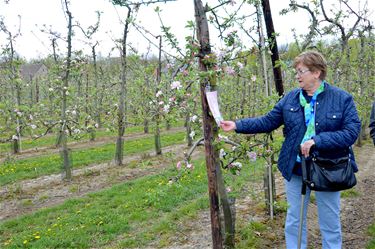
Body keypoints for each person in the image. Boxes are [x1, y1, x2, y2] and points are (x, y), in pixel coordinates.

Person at [220, 51, 361, 249]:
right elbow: (268, 121)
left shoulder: (342, 99)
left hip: (329, 168)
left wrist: (317, 141)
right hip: (296, 168)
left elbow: (351, 132)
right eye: (296, 71)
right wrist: (237, 124)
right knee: (295, 218)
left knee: (329, 221)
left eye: (301, 71)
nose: (297, 76)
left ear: (317, 72)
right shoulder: (291, 99)